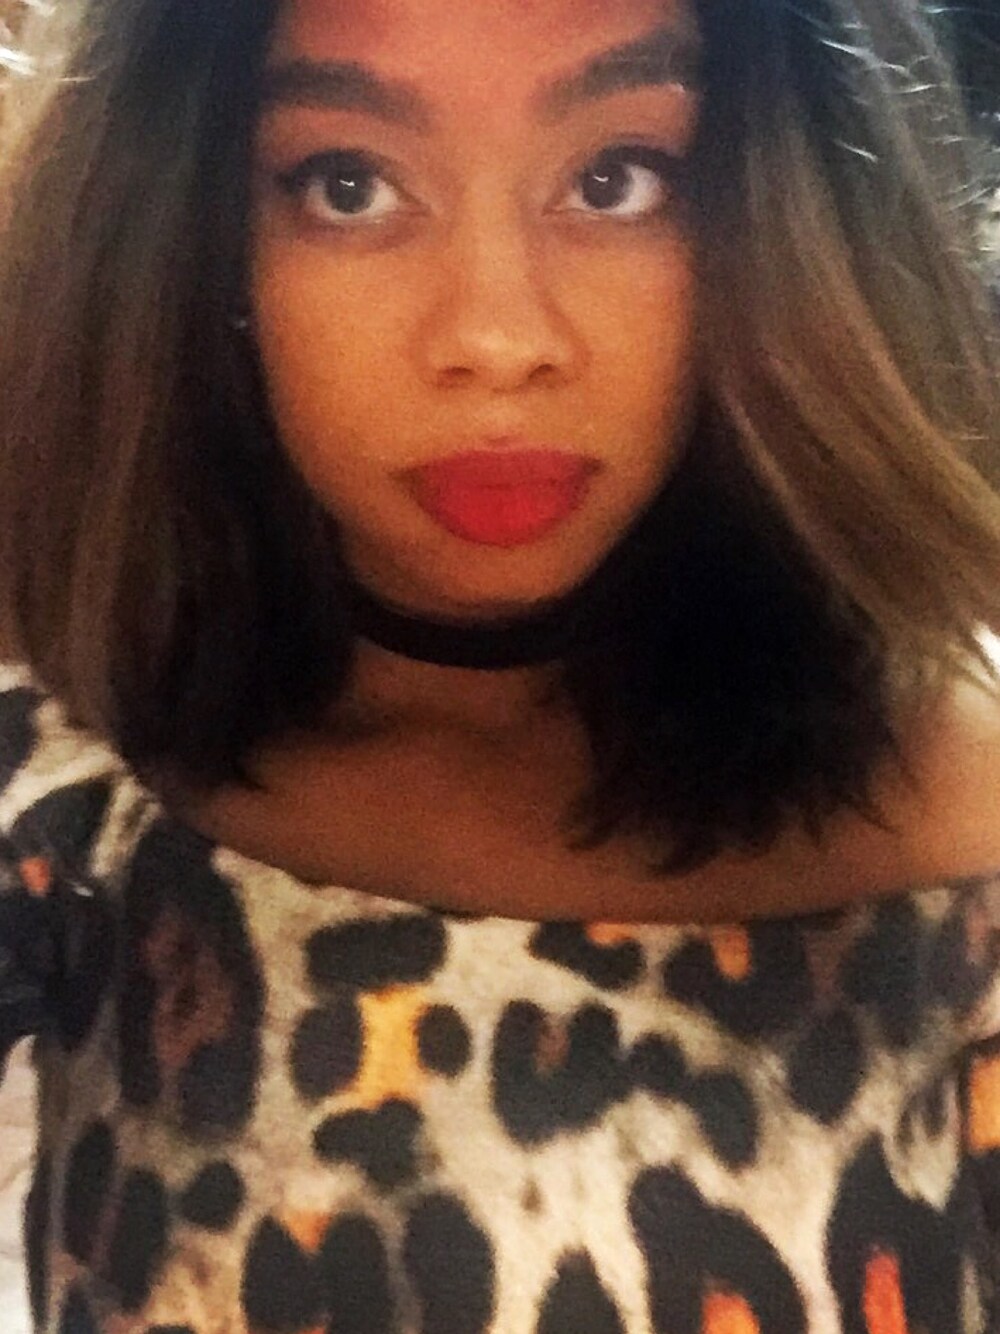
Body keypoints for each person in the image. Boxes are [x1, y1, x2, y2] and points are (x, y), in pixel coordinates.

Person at [1, 0, 1000, 1329]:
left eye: (618, 178)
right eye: (347, 185)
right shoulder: (73, 771)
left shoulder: (971, 808)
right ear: (195, 237)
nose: (496, 337)